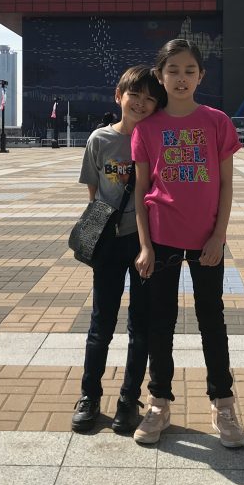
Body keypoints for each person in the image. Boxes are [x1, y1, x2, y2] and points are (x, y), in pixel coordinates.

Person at [131, 38, 244, 448]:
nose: (181, 78)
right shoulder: (147, 128)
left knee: (211, 320)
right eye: (173, 70)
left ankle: (223, 403)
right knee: (159, 322)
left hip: (206, 242)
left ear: (201, 76)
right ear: (160, 76)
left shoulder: (216, 121)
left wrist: (218, 236)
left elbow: (227, 184)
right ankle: (159, 402)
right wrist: (145, 246)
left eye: (189, 71)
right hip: (161, 239)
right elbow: (140, 191)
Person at [72, 66, 167, 434]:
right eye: (134, 96)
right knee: (102, 322)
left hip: (145, 242)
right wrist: (100, 231)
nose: (141, 104)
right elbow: (93, 192)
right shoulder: (99, 139)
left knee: (140, 325)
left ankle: (129, 399)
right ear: (118, 96)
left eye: (149, 99)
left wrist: (148, 243)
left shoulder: (156, 139)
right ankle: (89, 395)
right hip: (109, 242)